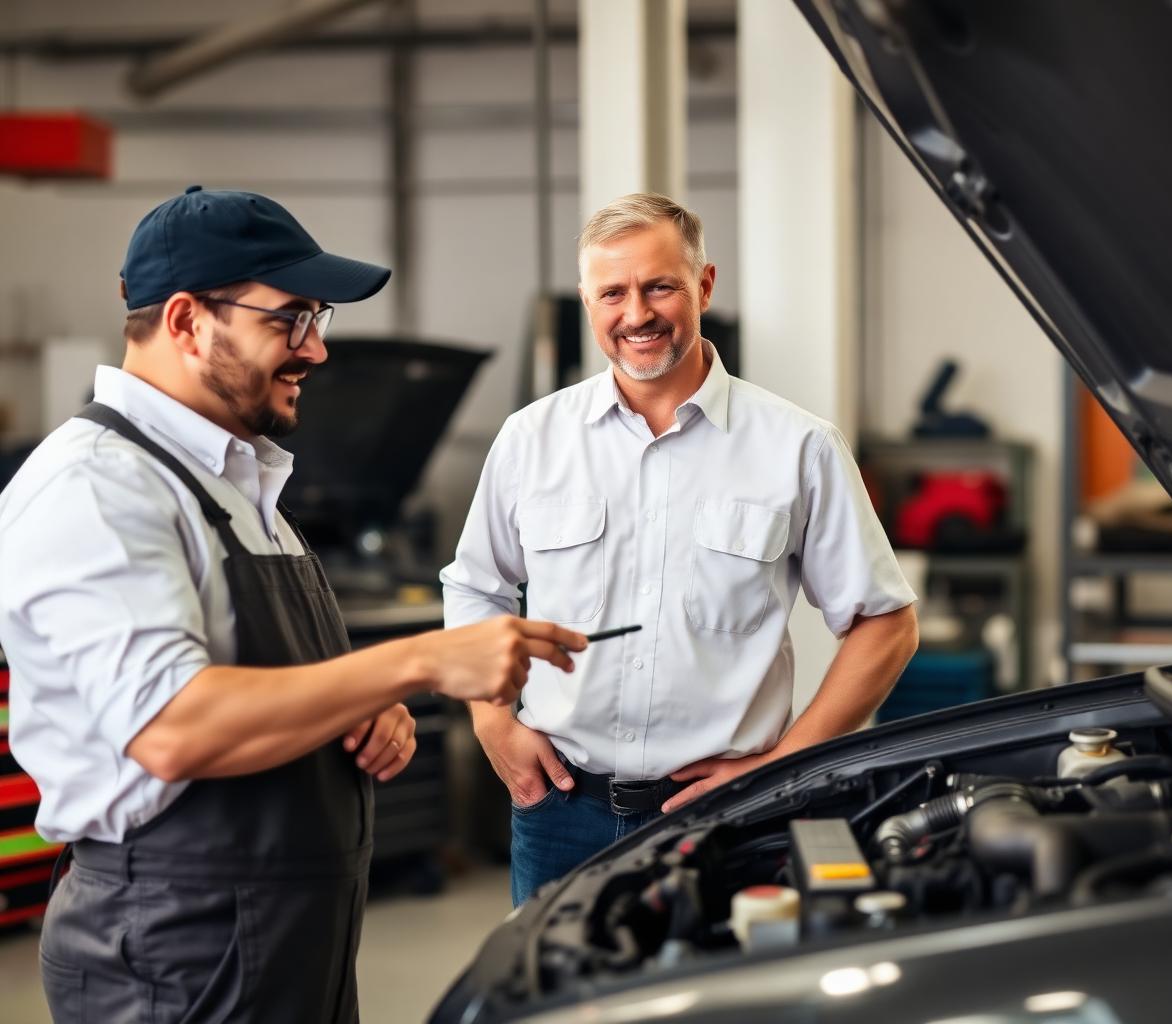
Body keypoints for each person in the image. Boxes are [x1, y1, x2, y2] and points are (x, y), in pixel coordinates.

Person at [0, 186, 587, 1023]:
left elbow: (264, 689)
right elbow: (172, 728)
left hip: (283, 938)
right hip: (177, 953)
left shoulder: (236, 482)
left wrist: (360, 707)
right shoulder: (98, 486)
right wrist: (417, 660)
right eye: (290, 319)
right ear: (186, 321)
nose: (314, 351)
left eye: (319, 321)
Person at [441, 192, 919, 905]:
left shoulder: (797, 446)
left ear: (704, 285)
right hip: (560, 808)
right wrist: (491, 720)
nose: (636, 314)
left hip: (731, 814)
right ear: (587, 300)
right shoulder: (532, 440)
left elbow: (885, 623)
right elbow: (477, 585)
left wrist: (786, 764)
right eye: (612, 293)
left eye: (659, 285)